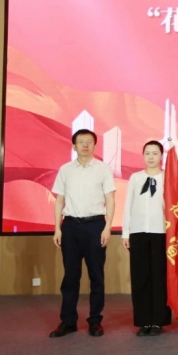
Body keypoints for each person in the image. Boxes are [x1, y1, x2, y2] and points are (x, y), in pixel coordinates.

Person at [49, 129, 116, 338]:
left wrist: (107, 227)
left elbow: (111, 199)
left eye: (89, 142)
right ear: (74, 146)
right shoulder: (65, 170)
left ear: (95, 145)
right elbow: (59, 200)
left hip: (96, 225)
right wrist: (57, 228)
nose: (85, 145)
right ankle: (68, 321)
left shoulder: (103, 169)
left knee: (96, 276)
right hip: (70, 226)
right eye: (81, 142)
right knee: (70, 276)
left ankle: (95, 321)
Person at [121, 141, 172, 336]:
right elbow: (128, 205)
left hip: (161, 233)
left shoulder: (168, 178)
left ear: (161, 156)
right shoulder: (135, 178)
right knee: (140, 277)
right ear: (143, 156)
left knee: (159, 278)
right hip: (138, 232)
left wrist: (175, 234)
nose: (151, 157)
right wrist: (126, 232)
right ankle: (144, 321)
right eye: (147, 153)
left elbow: (175, 207)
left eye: (155, 153)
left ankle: (158, 321)